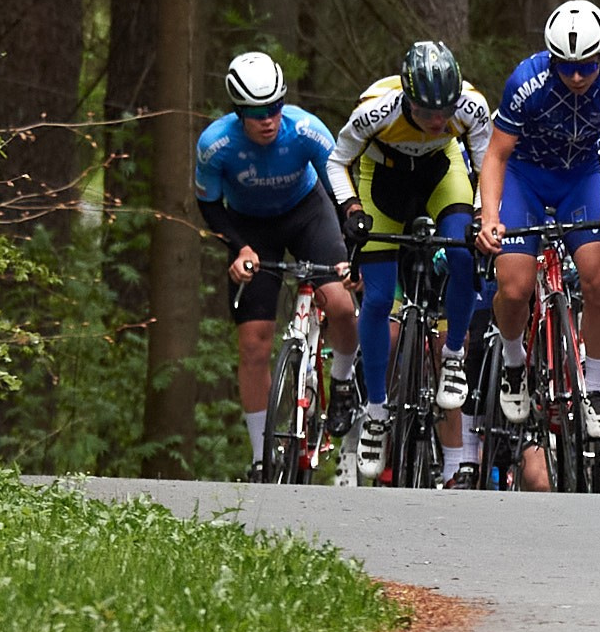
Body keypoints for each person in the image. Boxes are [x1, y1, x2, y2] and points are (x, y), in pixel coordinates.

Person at [324, 40, 491, 481]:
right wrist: (352, 211)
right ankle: (376, 411)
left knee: (460, 253)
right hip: (384, 181)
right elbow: (336, 162)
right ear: (407, 98)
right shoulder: (376, 111)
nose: (438, 119)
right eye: (427, 111)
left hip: (441, 173)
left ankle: (453, 354)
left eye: (445, 111)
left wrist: (481, 214)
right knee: (378, 300)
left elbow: (486, 163)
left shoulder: (470, 108)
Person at [475, 0, 600, 453]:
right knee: (516, 287)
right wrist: (489, 216)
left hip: (581, 177)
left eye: (586, 67)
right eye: (566, 66)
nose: (577, 77)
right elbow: (495, 156)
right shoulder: (527, 82)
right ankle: (515, 360)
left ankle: (594, 388)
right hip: (526, 178)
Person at [196, 51, 355, 470]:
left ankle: (341, 381)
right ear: (238, 111)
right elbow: (209, 204)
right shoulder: (216, 145)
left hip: (308, 213)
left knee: (340, 304)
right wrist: (238, 248)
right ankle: (259, 456)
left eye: (276, 107)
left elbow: (340, 189)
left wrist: (349, 254)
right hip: (250, 230)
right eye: (257, 112)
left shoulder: (305, 130)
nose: (269, 119)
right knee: (252, 342)